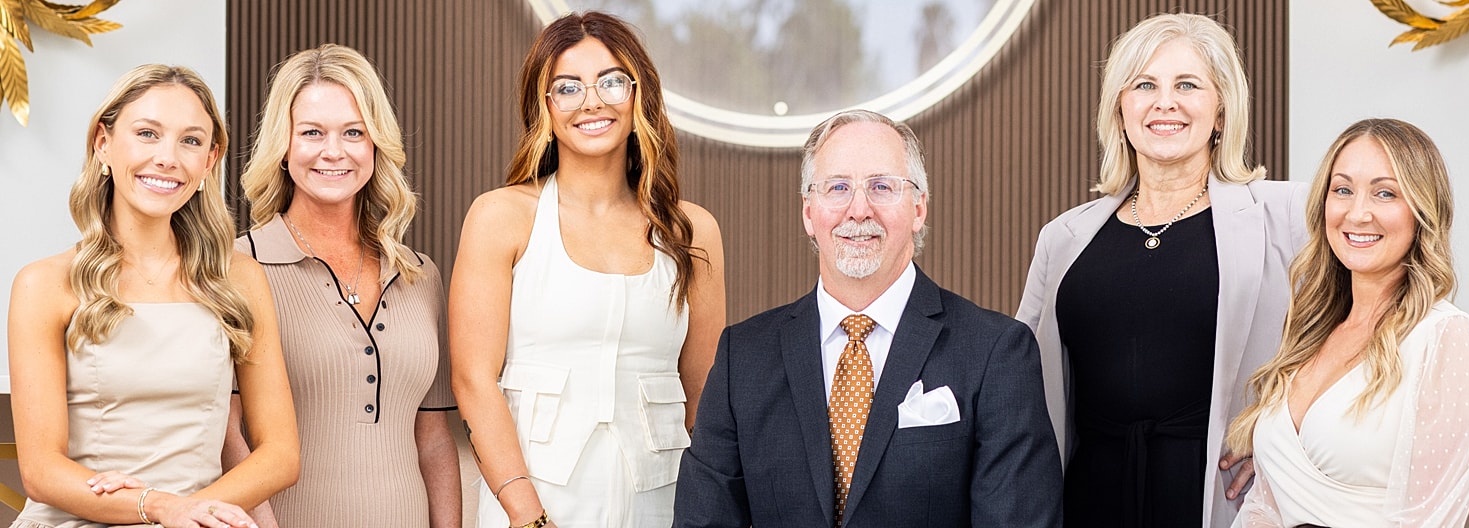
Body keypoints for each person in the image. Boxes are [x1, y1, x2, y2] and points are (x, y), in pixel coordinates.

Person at [673, 109, 1062, 528]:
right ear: (809, 212)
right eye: (838, 187)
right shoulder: (742, 359)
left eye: (881, 186)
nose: (859, 210)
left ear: (918, 208)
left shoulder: (996, 352)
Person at [1015, 13, 1310, 527]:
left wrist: (1284, 428)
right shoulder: (1062, 237)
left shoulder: (1284, 215)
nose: (1164, 102)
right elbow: (1017, 384)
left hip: (1221, 494)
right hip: (1088, 497)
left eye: (1188, 85)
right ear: (1121, 110)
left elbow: (1358, 327)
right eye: (1145, 85)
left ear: (1221, 111)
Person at [450, 11, 726, 528]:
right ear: (545, 107)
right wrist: (529, 518)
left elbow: (704, 397)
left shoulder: (692, 233)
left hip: (661, 507)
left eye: (611, 81)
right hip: (534, 508)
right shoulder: (501, 218)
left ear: (638, 95)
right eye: (568, 86)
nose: (592, 101)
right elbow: (472, 381)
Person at [7, 64, 299, 528]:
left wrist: (192, 512)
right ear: (103, 144)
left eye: (190, 140)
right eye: (147, 133)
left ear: (210, 160)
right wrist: (159, 507)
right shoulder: (43, 284)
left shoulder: (240, 280)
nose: (168, 157)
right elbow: (41, 471)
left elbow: (281, 454)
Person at [223, 44, 460, 527]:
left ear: (375, 144)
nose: (334, 151)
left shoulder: (421, 275)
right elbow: (227, 436)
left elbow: (433, 436)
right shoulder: (236, 267)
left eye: (353, 132)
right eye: (312, 132)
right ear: (283, 147)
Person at [1226, 118, 1469, 527]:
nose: (1358, 213)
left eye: (1385, 193)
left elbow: (1429, 519)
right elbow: (1265, 505)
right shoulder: (1308, 330)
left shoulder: (1447, 337)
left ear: (1422, 211)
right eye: (1343, 190)